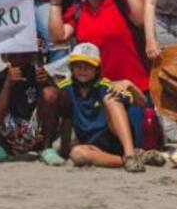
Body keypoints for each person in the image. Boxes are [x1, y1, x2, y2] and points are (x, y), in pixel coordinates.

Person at [47, 0, 149, 92]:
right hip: (98, 92)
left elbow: (142, 21)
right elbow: (58, 37)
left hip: (134, 87)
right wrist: (55, 4)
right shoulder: (78, 12)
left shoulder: (121, 2)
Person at [57, 43, 164, 172]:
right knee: (77, 154)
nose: (83, 70)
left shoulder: (105, 85)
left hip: (116, 139)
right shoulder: (65, 88)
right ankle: (128, 159)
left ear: (97, 69)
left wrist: (129, 85)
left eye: (88, 66)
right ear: (71, 68)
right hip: (92, 146)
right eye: (78, 66)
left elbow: (141, 103)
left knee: (110, 98)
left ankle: (130, 154)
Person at [0, 52, 64, 165]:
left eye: (24, 55)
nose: (19, 59)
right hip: (11, 129)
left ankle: (46, 149)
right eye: (14, 55)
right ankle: (3, 148)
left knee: (50, 92)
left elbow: (58, 102)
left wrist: (46, 82)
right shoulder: (0, 78)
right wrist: (8, 84)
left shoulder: (38, 74)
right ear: (4, 57)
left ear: (31, 56)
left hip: (36, 129)